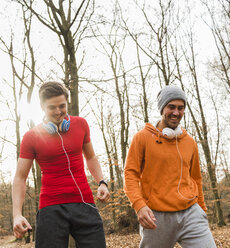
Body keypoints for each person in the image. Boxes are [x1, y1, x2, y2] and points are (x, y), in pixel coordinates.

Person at [12, 81, 110, 248]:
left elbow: (91, 157)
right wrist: (16, 214)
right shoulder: (31, 136)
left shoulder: (81, 124)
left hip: (84, 203)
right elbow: (20, 177)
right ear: (42, 107)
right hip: (50, 207)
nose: (58, 112)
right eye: (52, 108)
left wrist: (102, 182)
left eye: (62, 106)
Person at [124, 85, 216, 248]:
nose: (176, 112)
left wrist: (201, 209)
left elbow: (196, 178)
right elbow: (130, 174)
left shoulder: (190, 142)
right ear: (162, 108)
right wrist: (139, 205)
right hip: (156, 216)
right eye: (171, 107)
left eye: (180, 108)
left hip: (191, 213)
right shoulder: (142, 138)